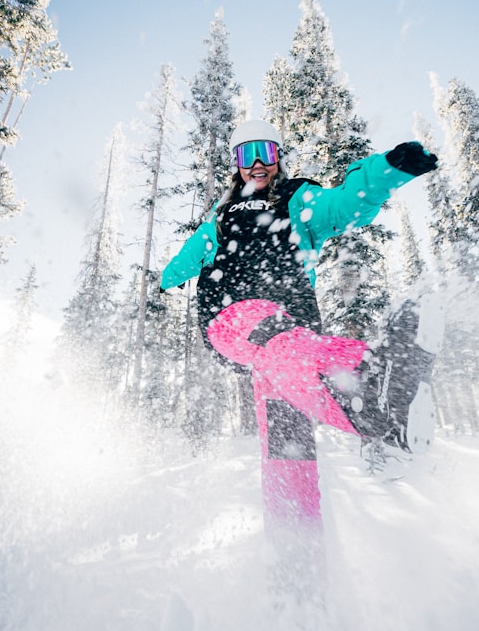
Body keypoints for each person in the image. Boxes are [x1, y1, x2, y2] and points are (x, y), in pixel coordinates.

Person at [160, 119, 440, 453]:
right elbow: (193, 251)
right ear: (237, 164)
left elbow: (344, 204)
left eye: (264, 152)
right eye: (247, 155)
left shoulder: (298, 199)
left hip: (294, 320)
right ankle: (374, 413)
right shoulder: (222, 215)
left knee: (303, 384)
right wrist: (168, 279)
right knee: (279, 343)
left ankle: (388, 381)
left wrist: (387, 170)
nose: (258, 164)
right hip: (230, 314)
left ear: (277, 156)